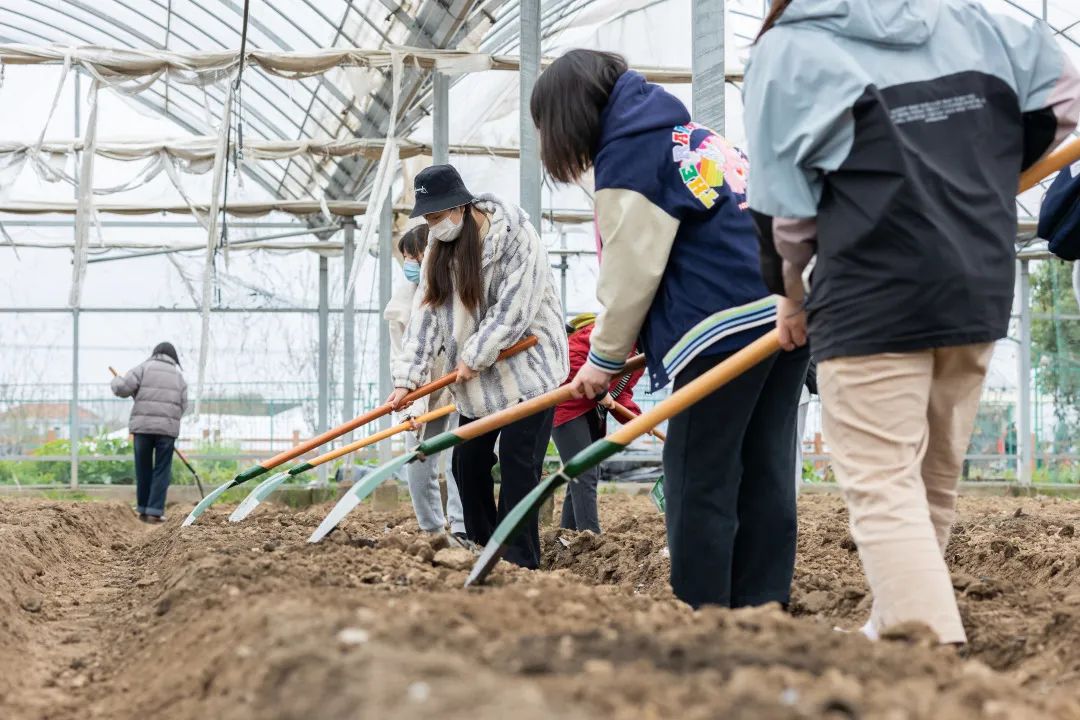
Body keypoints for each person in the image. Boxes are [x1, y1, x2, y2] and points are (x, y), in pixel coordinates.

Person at [743, 0, 1080, 644]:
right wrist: (980, 168)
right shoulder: (977, 22)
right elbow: (1064, 98)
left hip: (874, 286)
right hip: (975, 279)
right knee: (931, 480)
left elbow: (781, 207)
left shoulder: (787, 51)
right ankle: (892, 621)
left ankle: (926, 648)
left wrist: (788, 292)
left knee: (882, 481)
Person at [531, 50, 809, 609]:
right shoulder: (685, 132)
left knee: (697, 471)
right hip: (784, 307)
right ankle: (762, 605)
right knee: (764, 468)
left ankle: (701, 608)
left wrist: (602, 360)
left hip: (721, 324)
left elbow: (631, 268)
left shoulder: (629, 151)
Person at [388, 164, 569, 569]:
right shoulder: (438, 247)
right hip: (479, 382)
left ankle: (521, 559)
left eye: (437, 216)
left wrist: (474, 355)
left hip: (529, 368)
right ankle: (487, 547)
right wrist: (407, 380)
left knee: (519, 464)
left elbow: (514, 311)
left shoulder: (517, 236)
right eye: (428, 219)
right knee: (467, 465)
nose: (433, 225)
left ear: (462, 206)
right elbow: (426, 316)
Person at [383, 224, 468, 545]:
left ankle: (462, 527)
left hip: (461, 384)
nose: (410, 266)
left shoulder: (459, 288)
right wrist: (411, 410)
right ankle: (433, 530)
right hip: (422, 391)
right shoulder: (401, 306)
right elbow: (402, 358)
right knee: (418, 458)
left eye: (413, 258)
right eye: (405, 259)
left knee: (462, 458)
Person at [552, 312, 643, 533]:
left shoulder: (640, 357)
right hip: (566, 407)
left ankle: (569, 537)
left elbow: (620, 395)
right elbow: (570, 360)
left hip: (591, 411)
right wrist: (601, 393)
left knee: (580, 474)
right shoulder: (609, 333)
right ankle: (590, 538)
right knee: (585, 474)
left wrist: (640, 420)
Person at [111, 342, 188, 522]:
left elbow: (123, 389)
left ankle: (143, 509)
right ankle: (154, 511)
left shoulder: (143, 368)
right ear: (173, 357)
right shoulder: (179, 377)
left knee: (143, 467)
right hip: (167, 429)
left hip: (142, 427)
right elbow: (184, 405)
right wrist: (169, 419)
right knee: (162, 469)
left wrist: (116, 380)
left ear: (156, 353)